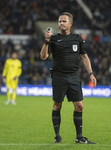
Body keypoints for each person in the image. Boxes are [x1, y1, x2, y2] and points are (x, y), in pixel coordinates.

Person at [40, 12, 97, 144]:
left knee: (79, 106)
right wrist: (46, 42)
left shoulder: (77, 39)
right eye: (60, 21)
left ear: (70, 24)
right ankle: (57, 136)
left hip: (73, 77)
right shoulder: (53, 39)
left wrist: (91, 73)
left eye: (64, 21)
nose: (61, 23)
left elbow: (84, 57)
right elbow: (43, 57)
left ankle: (79, 137)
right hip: (58, 76)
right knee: (57, 105)